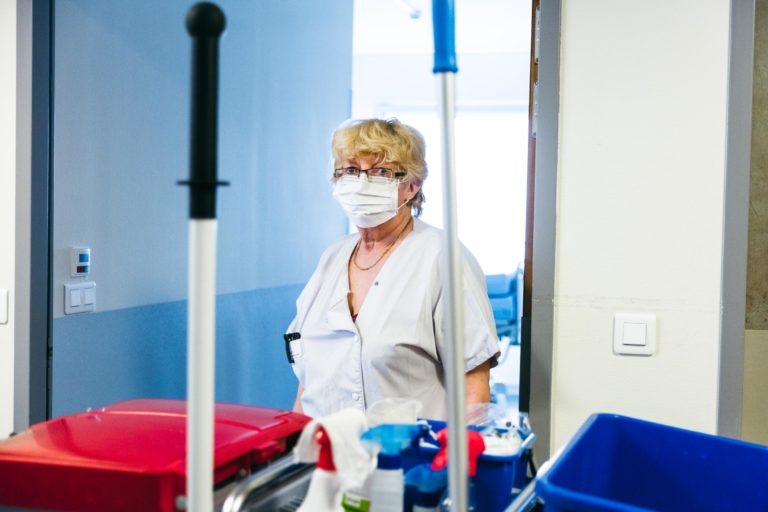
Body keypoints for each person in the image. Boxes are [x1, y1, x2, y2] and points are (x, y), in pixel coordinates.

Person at [285, 118, 500, 420]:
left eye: (380, 172)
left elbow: (473, 390)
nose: (361, 183)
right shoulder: (332, 259)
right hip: (326, 457)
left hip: (411, 461)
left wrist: (455, 462)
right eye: (350, 170)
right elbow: (308, 385)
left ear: (411, 186)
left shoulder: (442, 258)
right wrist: (294, 453)